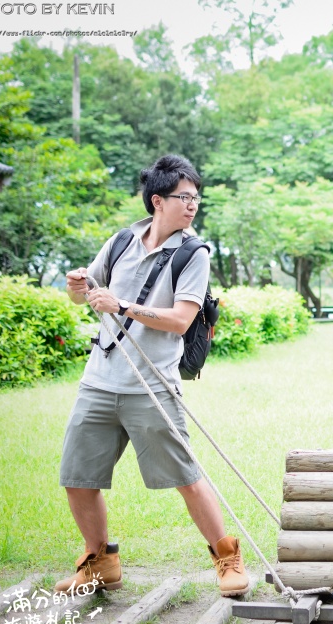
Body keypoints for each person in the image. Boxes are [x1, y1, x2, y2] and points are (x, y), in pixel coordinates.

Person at [57, 155, 249, 597]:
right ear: (157, 200)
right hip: (100, 380)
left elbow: (182, 320)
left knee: (185, 476)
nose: (193, 204)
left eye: (197, 197)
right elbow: (86, 296)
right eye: (184, 196)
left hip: (154, 385)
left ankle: (226, 557)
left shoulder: (193, 253)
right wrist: (76, 286)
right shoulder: (122, 240)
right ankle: (99, 562)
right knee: (77, 477)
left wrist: (121, 306)